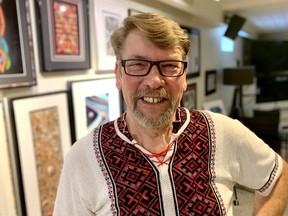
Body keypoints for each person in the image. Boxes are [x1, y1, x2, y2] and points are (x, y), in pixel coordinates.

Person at [53, 12, 288, 215]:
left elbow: (279, 175)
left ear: (184, 75)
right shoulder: (84, 158)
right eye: (137, 64)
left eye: (169, 65)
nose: (154, 81)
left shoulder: (222, 131)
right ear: (118, 74)